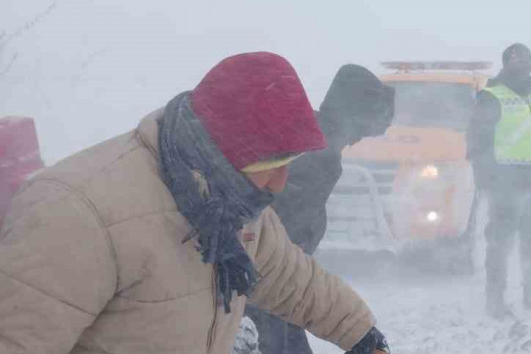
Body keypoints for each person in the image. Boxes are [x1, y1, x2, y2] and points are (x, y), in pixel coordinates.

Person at [0, 52, 389, 354]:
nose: (280, 183)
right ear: (218, 151)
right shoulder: (78, 215)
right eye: (269, 165)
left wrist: (362, 335)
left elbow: (292, 279)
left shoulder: (233, 206)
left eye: (287, 164)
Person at [245, 64, 395, 353]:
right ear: (355, 116)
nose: (361, 139)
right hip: (271, 285)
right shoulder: (319, 156)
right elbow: (279, 236)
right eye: (364, 128)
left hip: (276, 283)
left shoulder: (313, 137)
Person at [466, 43, 531, 319]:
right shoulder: (491, 95)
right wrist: (486, 178)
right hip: (503, 182)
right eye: (515, 61)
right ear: (506, 64)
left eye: (526, 61)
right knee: (500, 241)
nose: (521, 66)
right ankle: (494, 300)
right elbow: (476, 141)